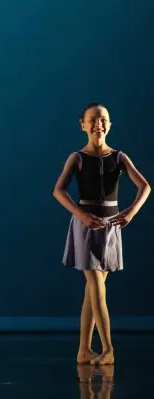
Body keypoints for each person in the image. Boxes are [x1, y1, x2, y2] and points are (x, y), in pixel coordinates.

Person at [53, 103, 149, 366]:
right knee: (96, 286)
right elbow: (59, 191)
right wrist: (81, 215)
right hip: (86, 226)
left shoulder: (119, 157)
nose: (99, 124)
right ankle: (108, 348)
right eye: (93, 120)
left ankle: (84, 350)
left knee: (93, 291)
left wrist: (130, 212)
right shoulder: (77, 158)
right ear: (82, 124)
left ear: (110, 124)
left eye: (103, 119)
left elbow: (145, 186)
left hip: (110, 227)